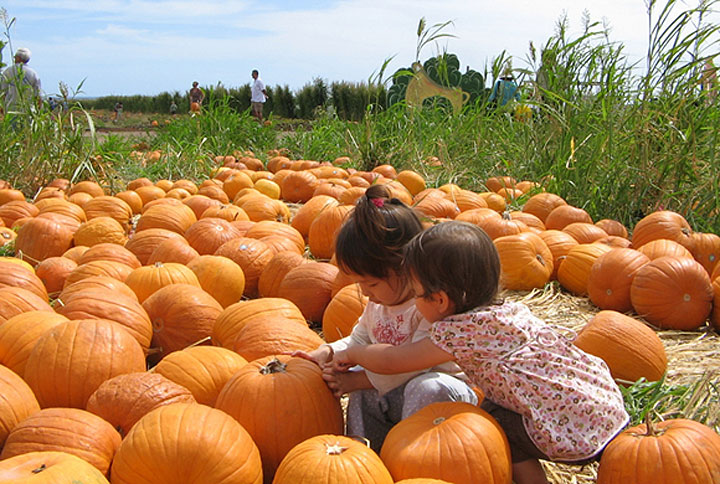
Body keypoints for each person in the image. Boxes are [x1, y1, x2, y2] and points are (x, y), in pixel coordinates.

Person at [333, 221, 630, 484]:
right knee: (492, 413)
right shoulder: (505, 312)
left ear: (439, 300)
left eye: (416, 291)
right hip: (603, 409)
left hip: (568, 427)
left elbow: (393, 361)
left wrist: (356, 353)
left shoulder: (459, 332)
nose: (413, 298)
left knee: (494, 430)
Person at [293, 185, 478, 453]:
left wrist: (355, 379)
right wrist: (328, 351)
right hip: (395, 394)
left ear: (405, 267)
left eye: (371, 283)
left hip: (443, 403)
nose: (365, 292)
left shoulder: (429, 307)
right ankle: (365, 454)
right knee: (361, 386)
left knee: (425, 386)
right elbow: (359, 340)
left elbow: (411, 366)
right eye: (359, 285)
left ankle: (413, 458)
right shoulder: (377, 305)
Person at [0, 47, 42, 119]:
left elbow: (2, 93)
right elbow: (38, 96)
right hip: (28, 111)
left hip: (10, 110)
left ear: (18, 58)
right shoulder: (33, 74)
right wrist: (38, 113)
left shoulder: (7, 72)